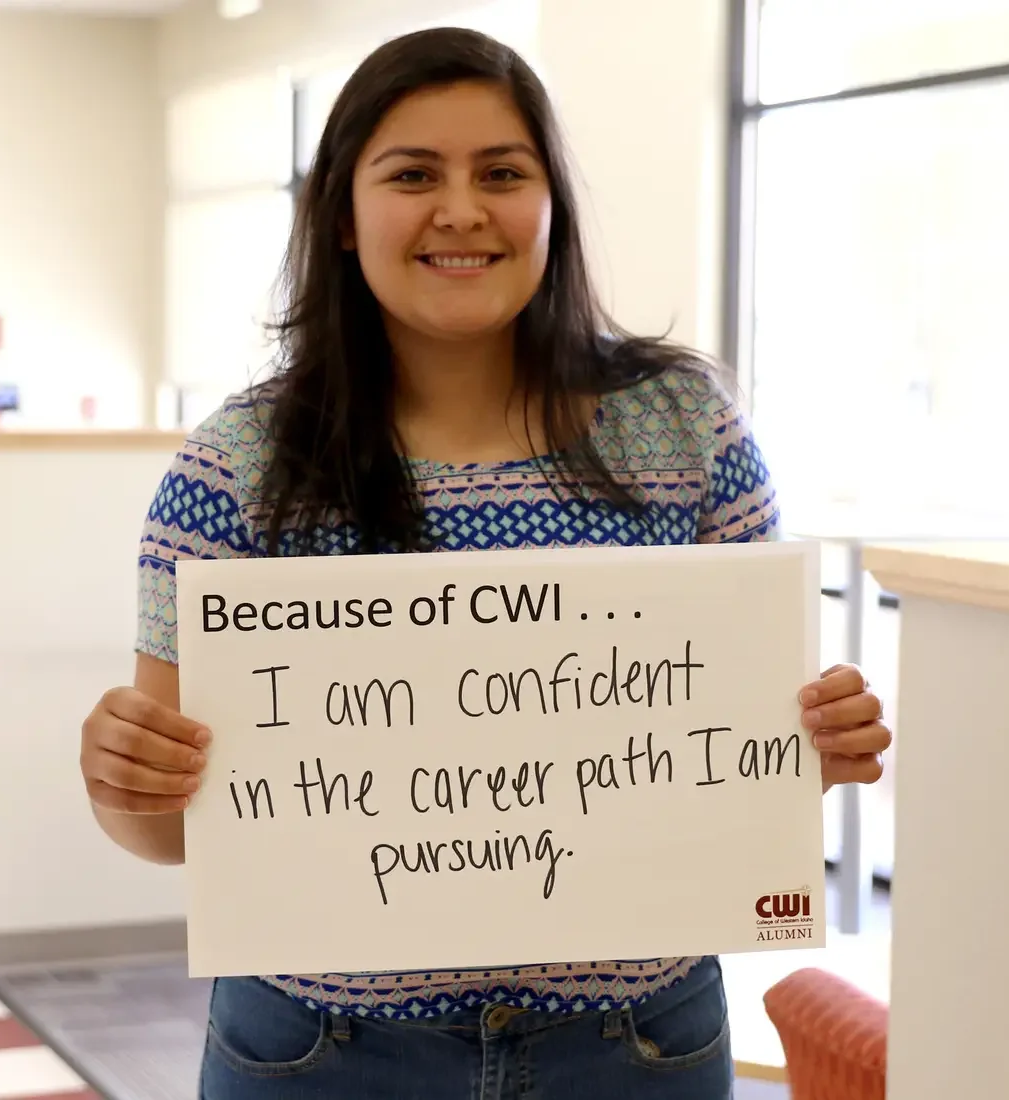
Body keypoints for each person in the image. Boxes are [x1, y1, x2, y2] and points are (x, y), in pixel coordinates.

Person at [79, 26, 891, 1100]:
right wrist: (123, 776)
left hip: (633, 1045)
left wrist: (812, 748)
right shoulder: (236, 463)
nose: (461, 210)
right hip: (321, 1052)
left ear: (551, 205)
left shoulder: (687, 427)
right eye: (413, 174)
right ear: (341, 214)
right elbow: (163, 826)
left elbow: (745, 757)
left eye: (502, 174)